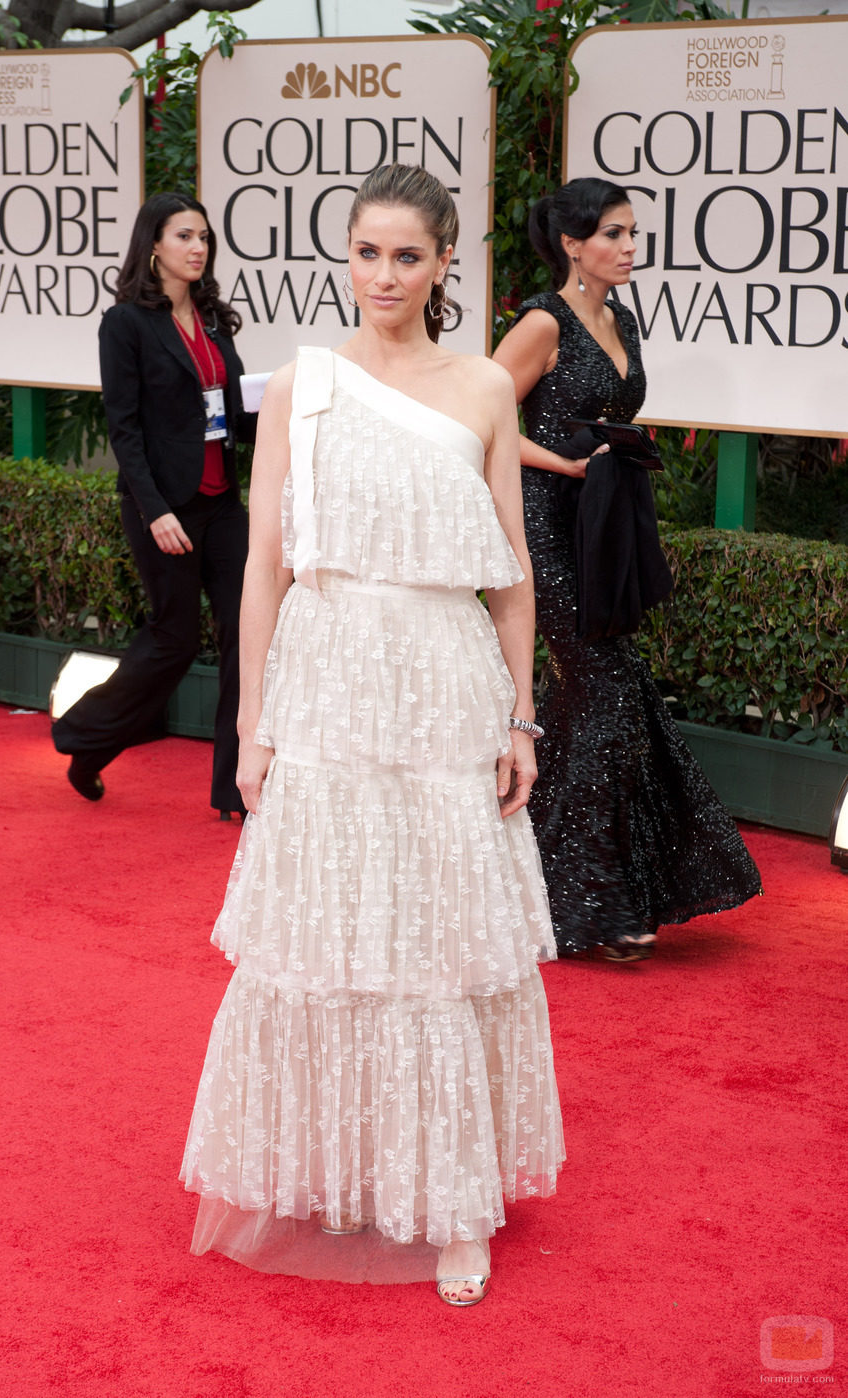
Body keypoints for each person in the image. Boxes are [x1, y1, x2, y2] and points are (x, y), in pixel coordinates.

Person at [180, 164, 564, 1305]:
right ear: (343, 257)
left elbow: (512, 583)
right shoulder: (303, 385)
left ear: (447, 263)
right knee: (331, 939)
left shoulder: (486, 389)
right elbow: (262, 566)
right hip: (329, 679)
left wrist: (520, 715)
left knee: (440, 945)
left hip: (443, 682)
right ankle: (348, 1164)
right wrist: (252, 726)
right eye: (366, 252)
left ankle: (452, 1205)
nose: (383, 275)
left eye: (408, 255)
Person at [492, 177, 762, 961]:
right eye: (614, 233)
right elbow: (481, 422)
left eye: (633, 233)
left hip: (605, 527)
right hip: (548, 525)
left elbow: (608, 418)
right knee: (606, 696)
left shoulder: (622, 320)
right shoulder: (542, 321)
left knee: (591, 704)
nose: (629, 247)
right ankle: (602, 905)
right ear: (573, 244)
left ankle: (533, 883)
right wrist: (568, 468)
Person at [52, 191, 252, 817]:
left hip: (223, 504)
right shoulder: (126, 324)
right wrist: (155, 510)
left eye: (204, 238)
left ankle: (235, 788)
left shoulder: (215, 319)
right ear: (154, 245)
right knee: (174, 640)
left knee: (249, 634)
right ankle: (87, 740)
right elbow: (125, 428)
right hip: (164, 505)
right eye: (185, 237)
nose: (198, 248)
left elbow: (235, 409)